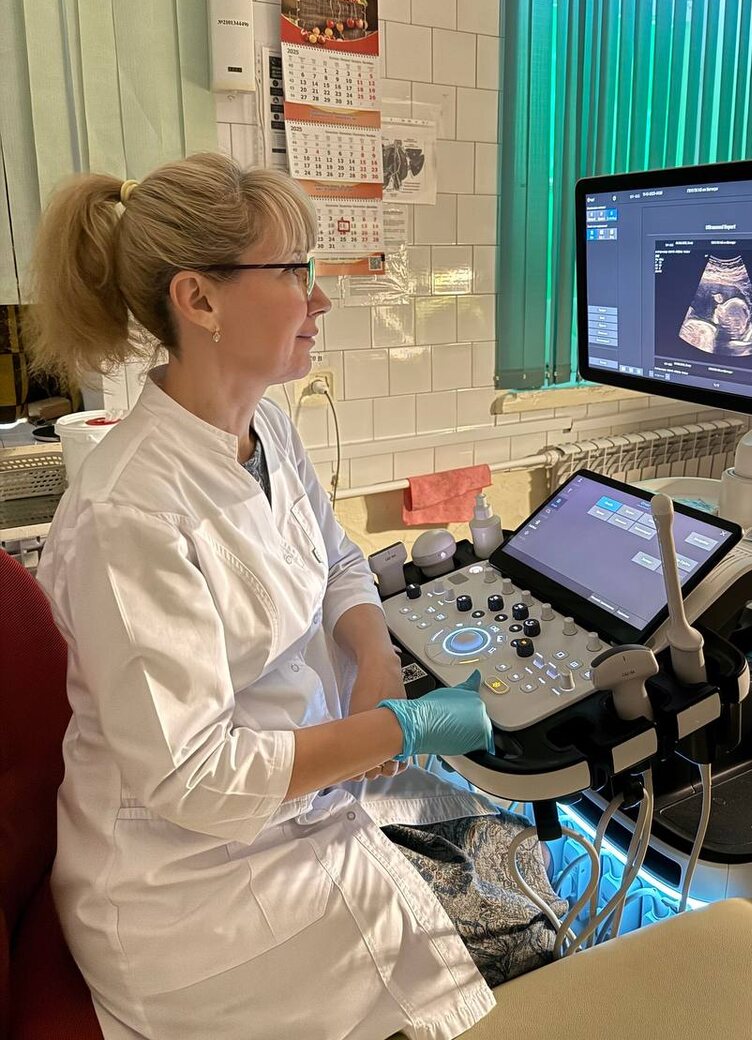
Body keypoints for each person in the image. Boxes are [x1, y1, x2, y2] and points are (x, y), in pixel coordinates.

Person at [28, 154, 563, 1040]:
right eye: (294, 272)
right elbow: (195, 779)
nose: (320, 298)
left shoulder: (265, 426)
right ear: (199, 300)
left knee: (518, 850)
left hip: (299, 799)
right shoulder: (128, 515)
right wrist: (402, 730)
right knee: (525, 934)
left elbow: (339, 559)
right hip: (191, 884)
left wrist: (375, 661)